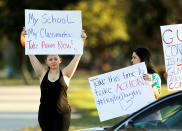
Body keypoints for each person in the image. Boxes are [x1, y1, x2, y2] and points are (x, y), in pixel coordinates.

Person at [21, 28, 87, 131]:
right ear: (46, 62)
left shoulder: (65, 74)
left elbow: (77, 57)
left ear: (60, 60)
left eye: (55, 59)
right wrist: (27, 37)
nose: (53, 61)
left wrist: (82, 40)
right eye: (50, 59)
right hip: (45, 115)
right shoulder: (42, 73)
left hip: (62, 115)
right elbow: (31, 55)